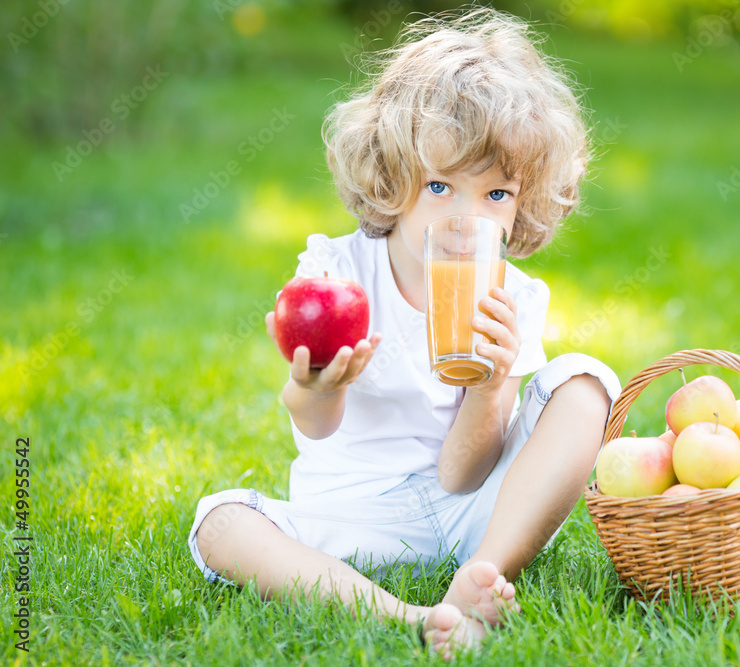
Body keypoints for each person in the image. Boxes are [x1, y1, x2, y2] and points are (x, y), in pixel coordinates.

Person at [187, 7, 620, 659]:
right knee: (219, 524)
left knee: (586, 382)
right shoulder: (338, 274)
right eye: (441, 186)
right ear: (395, 178)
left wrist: (492, 383)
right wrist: (316, 385)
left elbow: (460, 472)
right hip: (353, 518)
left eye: (496, 195)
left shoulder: (513, 298)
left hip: (468, 515)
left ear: (523, 200)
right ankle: (406, 613)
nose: (466, 217)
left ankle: (481, 573)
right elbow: (313, 423)